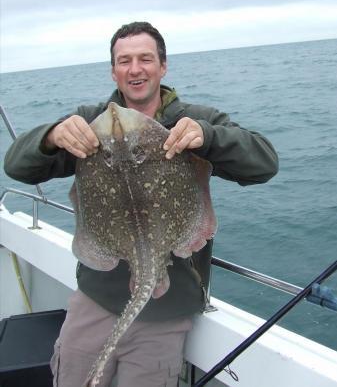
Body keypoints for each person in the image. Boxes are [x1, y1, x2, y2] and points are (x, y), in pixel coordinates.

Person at [4, 21, 278, 387]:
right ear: (113, 70)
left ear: (162, 66)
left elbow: (264, 164)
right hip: (95, 301)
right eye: (125, 60)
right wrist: (51, 137)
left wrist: (209, 138)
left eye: (145, 59)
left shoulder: (195, 121)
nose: (135, 69)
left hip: (166, 314)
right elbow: (16, 166)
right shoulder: (89, 123)